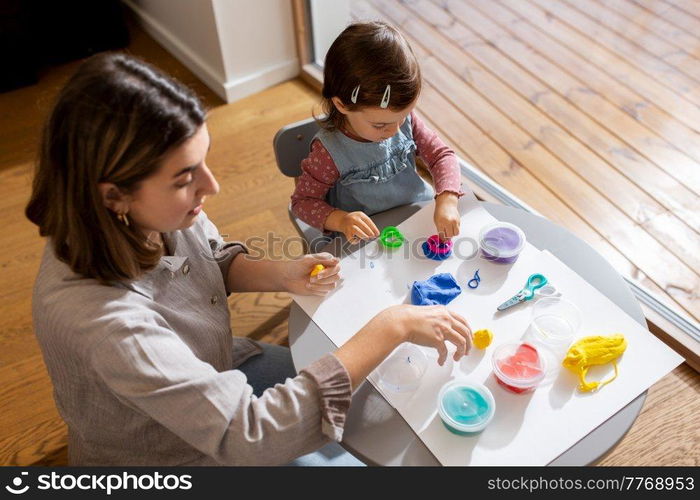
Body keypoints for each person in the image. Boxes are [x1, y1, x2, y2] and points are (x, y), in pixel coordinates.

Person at [26, 52, 473, 466]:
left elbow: (211, 260)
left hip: (221, 365)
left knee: (377, 400)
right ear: (114, 195)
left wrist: (280, 273)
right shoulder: (107, 326)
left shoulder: (138, 216)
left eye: (203, 161)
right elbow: (250, 435)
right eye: (185, 177)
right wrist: (390, 326)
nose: (212, 186)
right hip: (174, 455)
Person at [291, 21, 465, 244]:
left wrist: (447, 199)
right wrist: (341, 221)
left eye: (401, 117)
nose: (394, 130)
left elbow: (442, 156)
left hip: (416, 219)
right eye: (380, 126)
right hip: (363, 238)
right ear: (342, 105)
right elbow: (303, 202)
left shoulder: (403, 120)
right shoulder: (328, 152)